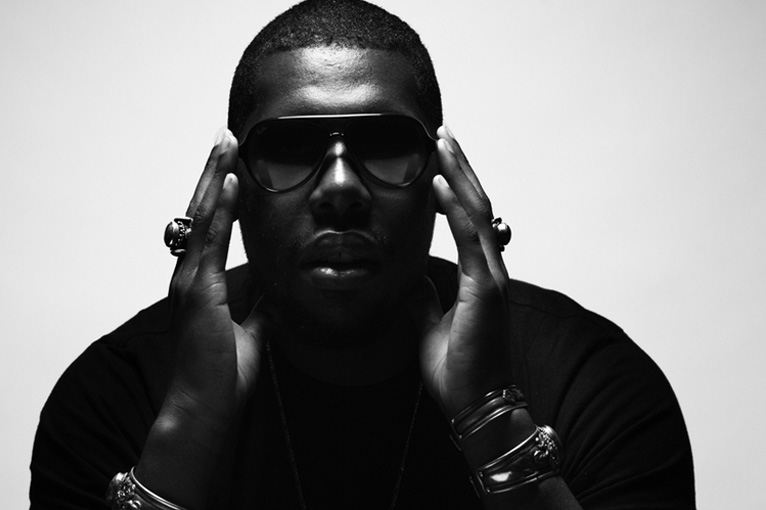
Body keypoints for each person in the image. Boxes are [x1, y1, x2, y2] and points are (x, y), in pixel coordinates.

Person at [30, 1, 695, 509]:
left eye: (385, 145)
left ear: (442, 178)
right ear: (232, 185)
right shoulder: (114, 397)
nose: (341, 189)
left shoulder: (592, 384)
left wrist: (490, 418)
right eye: (291, 149)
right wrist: (191, 428)